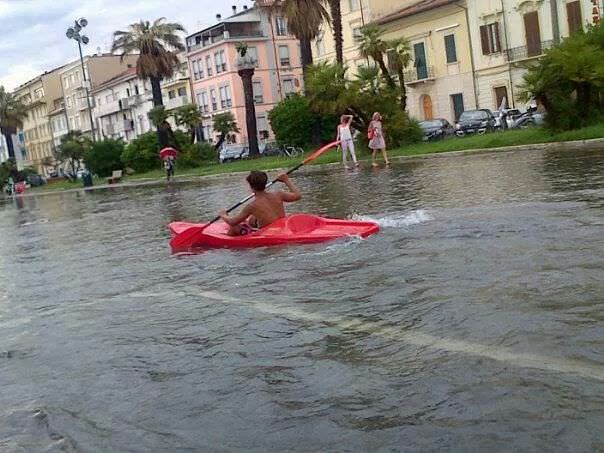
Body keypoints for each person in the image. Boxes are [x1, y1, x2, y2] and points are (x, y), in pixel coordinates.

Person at [219, 171, 301, 236]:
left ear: (251, 187)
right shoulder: (278, 194)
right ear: (265, 184)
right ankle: (248, 225)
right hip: (282, 229)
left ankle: (230, 245)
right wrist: (286, 180)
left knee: (234, 227)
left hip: (267, 234)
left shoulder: (252, 206)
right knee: (252, 219)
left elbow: (233, 222)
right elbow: (297, 196)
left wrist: (224, 215)